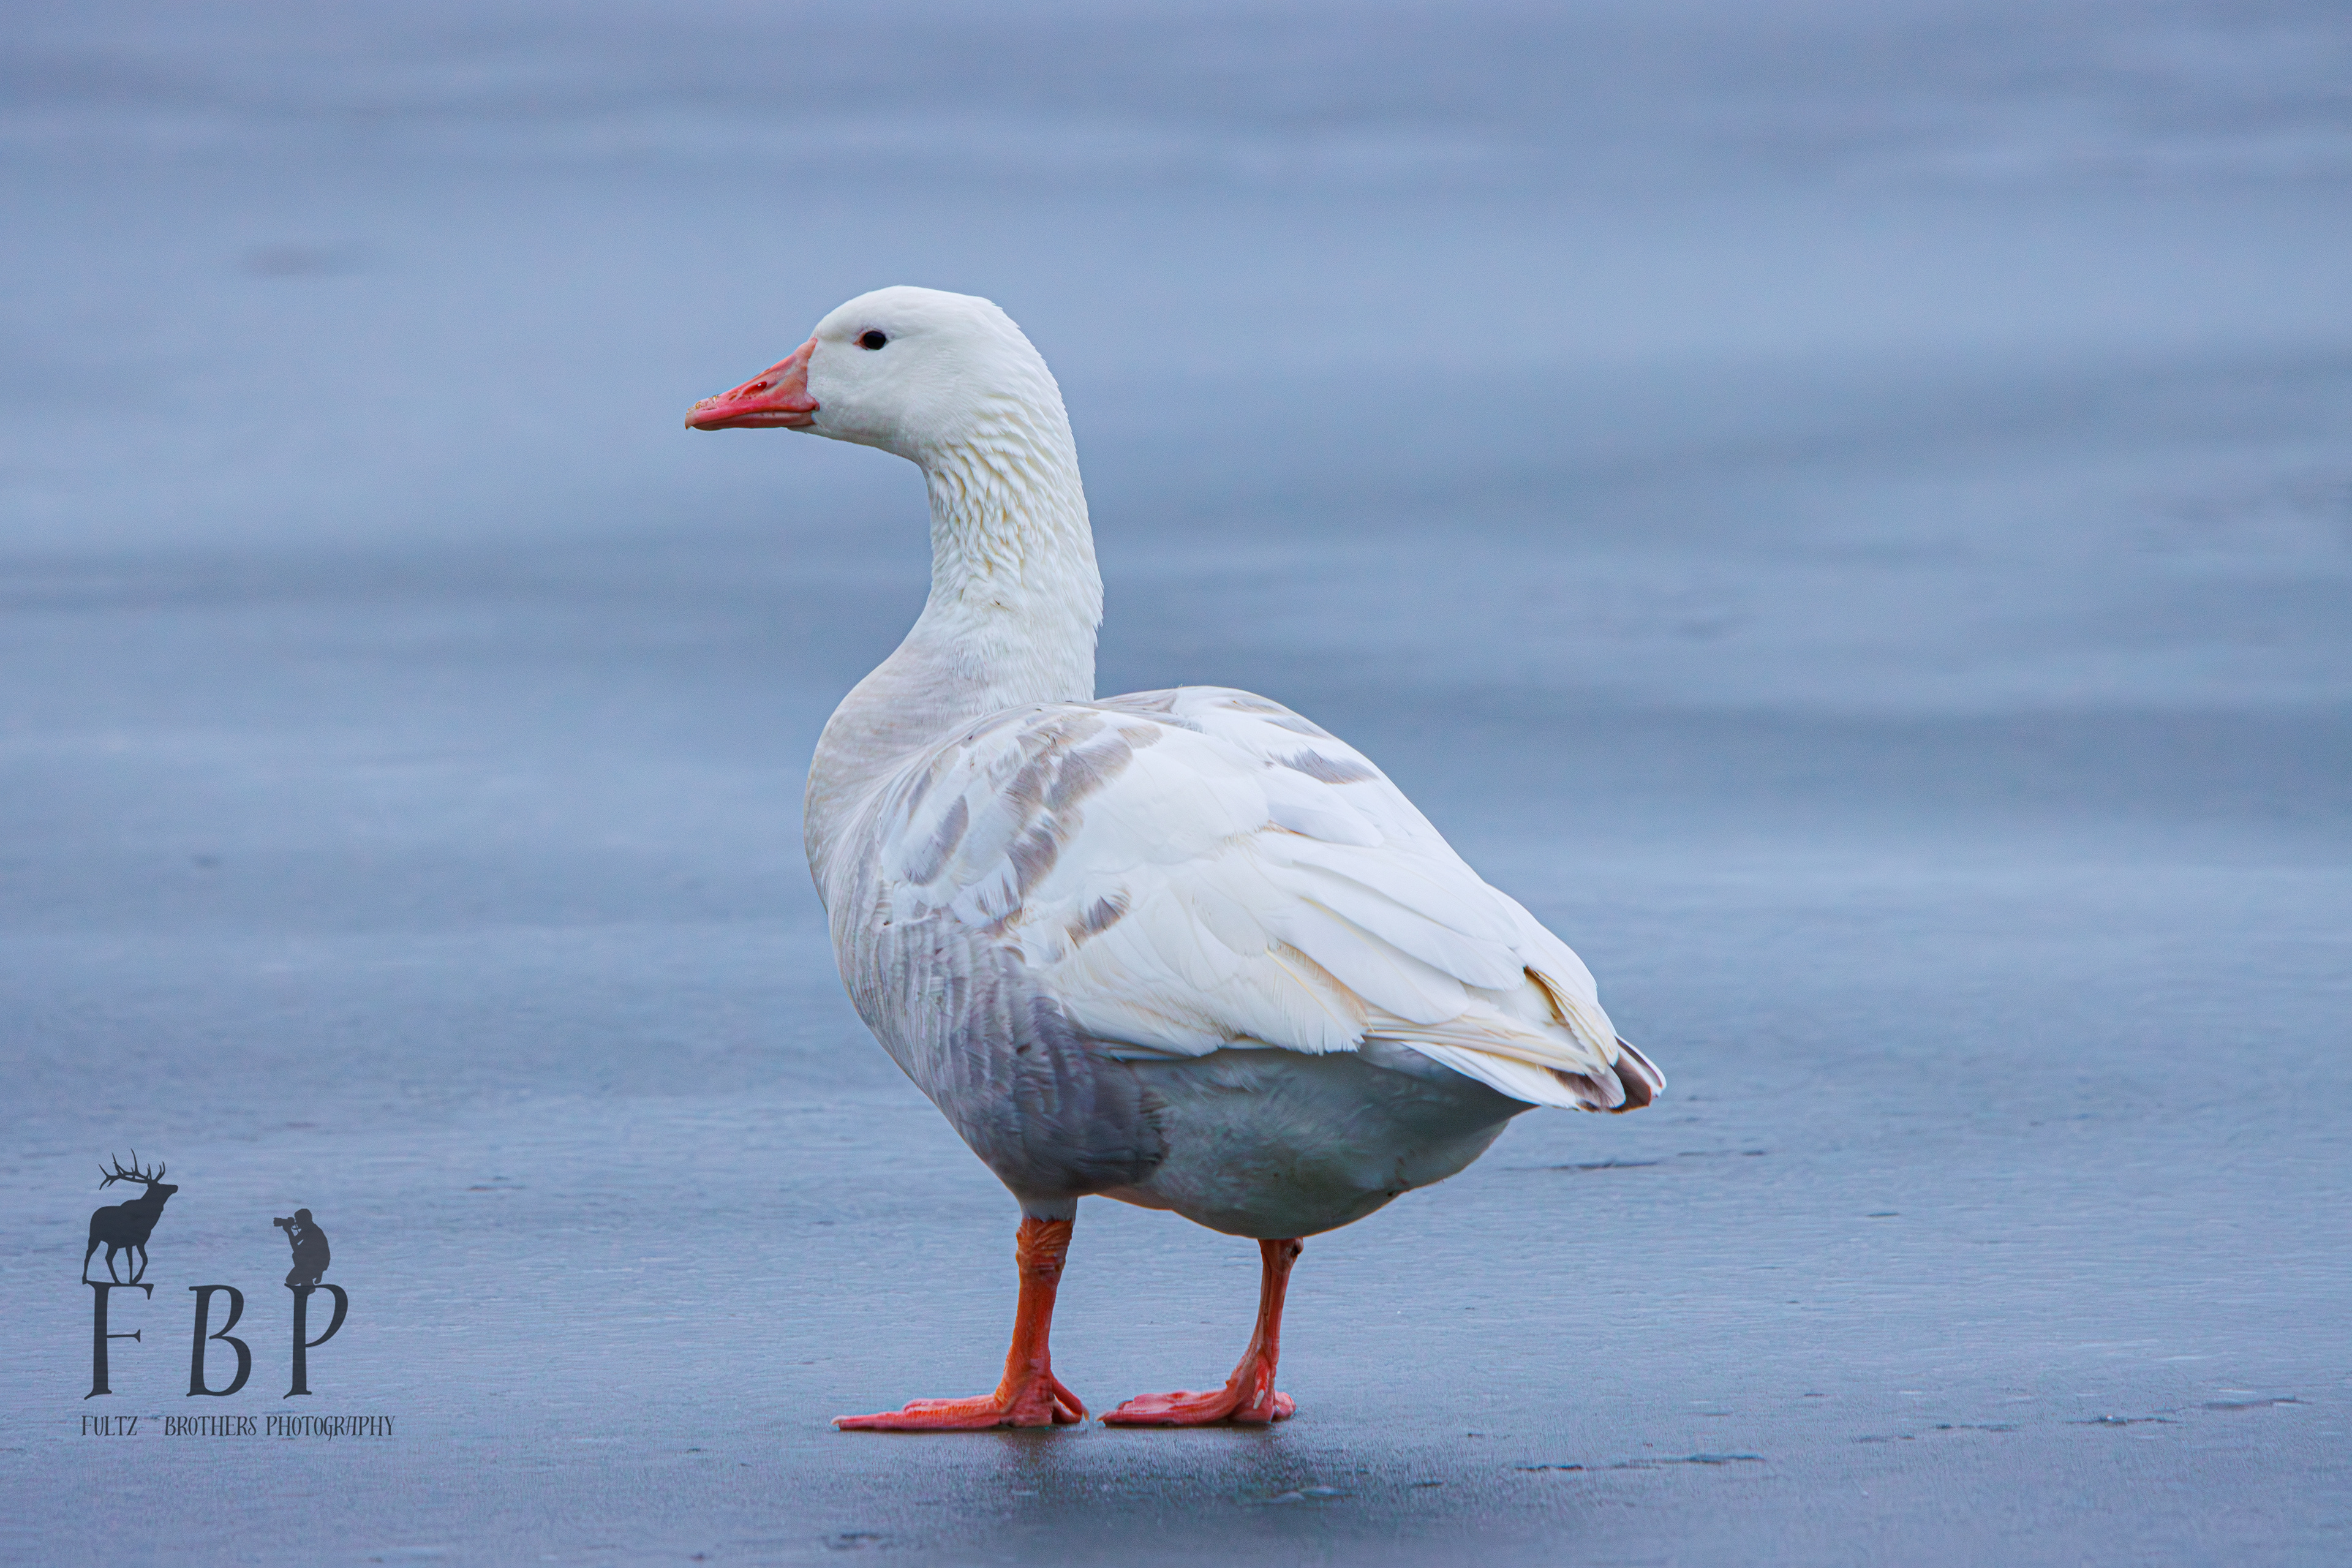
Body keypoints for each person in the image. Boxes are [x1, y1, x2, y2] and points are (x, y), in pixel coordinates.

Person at [279, 1208, 330, 1289]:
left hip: (317, 1263)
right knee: (290, 1280)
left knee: (296, 1256)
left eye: (298, 1220)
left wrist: (289, 1231)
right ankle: (310, 1280)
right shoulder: (309, 1229)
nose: (297, 1223)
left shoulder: (314, 1232)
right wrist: (289, 1229)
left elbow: (297, 1250)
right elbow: (295, 1241)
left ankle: (308, 1284)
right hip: (315, 1262)